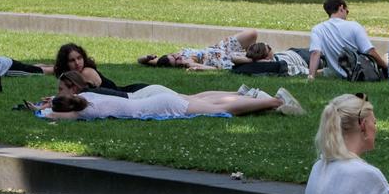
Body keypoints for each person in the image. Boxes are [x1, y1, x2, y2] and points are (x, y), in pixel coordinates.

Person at [40, 71, 298, 120]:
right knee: (209, 102)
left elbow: (60, 115)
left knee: (220, 109)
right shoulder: (91, 100)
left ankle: (275, 102)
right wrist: (51, 103)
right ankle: (264, 100)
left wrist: (43, 110)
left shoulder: (85, 110)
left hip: (160, 104)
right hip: (157, 101)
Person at [309, 0, 388, 82]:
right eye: (347, 11)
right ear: (341, 7)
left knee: (325, 71)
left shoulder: (317, 29)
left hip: (337, 73)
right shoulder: (354, 26)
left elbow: (315, 53)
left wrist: (311, 76)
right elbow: (370, 52)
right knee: (387, 56)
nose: (347, 15)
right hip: (359, 73)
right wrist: (386, 67)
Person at [137, 30, 273, 71]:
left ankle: (255, 55)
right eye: (176, 60)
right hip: (224, 59)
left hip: (220, 47)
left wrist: (146, 57)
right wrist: (197, 66)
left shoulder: (165, 59)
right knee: (263, 51)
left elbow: (142, 61)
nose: (178, 56)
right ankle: (255, 59)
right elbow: (216, 70)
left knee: (252, 34)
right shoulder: (188, 63)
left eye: (174, 55)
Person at [47, 43, 148, 96]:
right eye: (72, 60)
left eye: (79, 58)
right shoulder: (71, 76)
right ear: (65, 63)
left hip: (132, 93)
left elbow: (76, 99)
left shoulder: (86, 73)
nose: (77, 63)